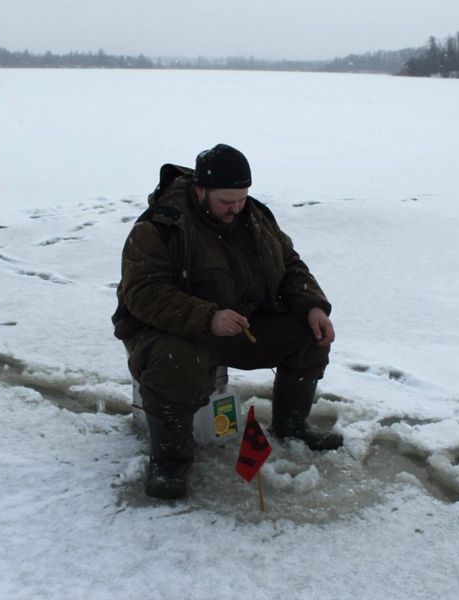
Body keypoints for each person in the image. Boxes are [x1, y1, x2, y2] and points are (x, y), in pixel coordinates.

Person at [112, 143, 341, 500]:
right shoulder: (161, 226)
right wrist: (209, 317)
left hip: (239, 324)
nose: (236, 208)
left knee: (308, 334)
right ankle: (170, 461)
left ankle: (292, 425)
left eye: (242, 198)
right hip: (171, 328)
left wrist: (313, 305)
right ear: (201, 190)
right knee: (176, 362)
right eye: (226, 201)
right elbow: (143, 293)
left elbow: (290, 264)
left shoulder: (256, 216)